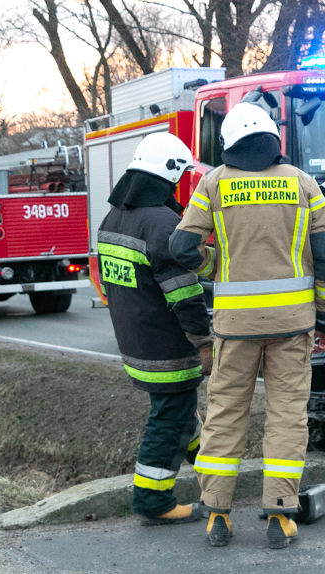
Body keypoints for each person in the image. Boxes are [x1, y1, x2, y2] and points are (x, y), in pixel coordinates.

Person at [169, 102, 325, 549]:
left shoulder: (214, 184)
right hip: (294, 325)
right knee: (287, 416)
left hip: (234, 327)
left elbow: (182, 246)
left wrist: (216, 267)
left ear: (228, 144)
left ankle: (217, 515)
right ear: (274, 141)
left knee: (225, 415)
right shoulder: (303, 184)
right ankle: (281, 515)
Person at [97, 132, 213, 524]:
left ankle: (212, 474)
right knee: (170, 419)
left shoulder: (113, 218)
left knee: (180, 412)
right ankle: (154, 500)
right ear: (168, 175)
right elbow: (184, 294)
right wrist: (204, 341)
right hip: (168, 348)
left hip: (136, 344)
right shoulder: (163, 224)